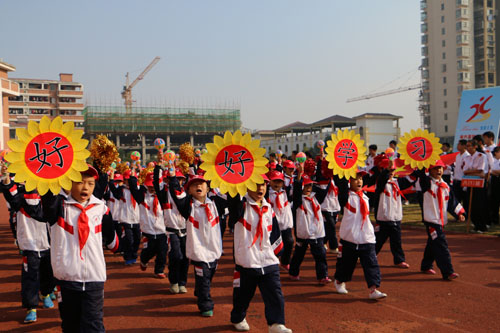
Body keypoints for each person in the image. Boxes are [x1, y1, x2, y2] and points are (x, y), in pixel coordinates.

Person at [33, 165, 119, 332]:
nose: (85, 187)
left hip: (94, 279)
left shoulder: (101, 209)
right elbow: (48, 198)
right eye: (79, 182)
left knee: (93, 325)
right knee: (70, 325)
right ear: (69, 183)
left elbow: (112, 241)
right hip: (67, 279)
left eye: (90, 183)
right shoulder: (58, 207)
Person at [228, 175, 292, 333]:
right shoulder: (240, 206)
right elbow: (233, 199)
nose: (260, 188)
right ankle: (238, 317)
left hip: (268, 260)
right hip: (247, 260)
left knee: (275, 293)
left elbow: (274, 231)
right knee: (243, 295)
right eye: (256, 184)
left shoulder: (268, 207)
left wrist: (276, 252)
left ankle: (276, 324)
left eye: (263, 184)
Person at [1, 169, 55, 324]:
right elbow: (10, 194)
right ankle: (31, 307)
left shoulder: (48, 198)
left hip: (48, 244)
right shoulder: (20, 198)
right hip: (30, 245)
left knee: (47, 273)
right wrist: (6, 179)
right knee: (30, 277)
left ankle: (46, 294)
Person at [168, 173, 222, 317]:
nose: (198, 186)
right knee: (204, 278)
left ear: (208, 188)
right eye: (194, 184)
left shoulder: (215, 203)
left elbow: (231, 197)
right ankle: (205, 305)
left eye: (202, 184)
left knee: (208, 276)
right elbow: (176, 194)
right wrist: (173, 177)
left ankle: (200, 290)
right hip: (198, 251)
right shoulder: (188, 206)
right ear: (189, 190)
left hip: (214, 250)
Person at [333, 169, 387, 299]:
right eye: (355, 178)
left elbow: (379, 185)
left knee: (371, 263)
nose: (359, 181)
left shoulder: (366, 196)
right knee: (346, 266)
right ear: (349, 181)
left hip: (366, 237)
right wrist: (342, 170)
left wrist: (384, 169)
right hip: (350, 238)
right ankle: (339, 281)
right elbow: (340, 184)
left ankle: (373, 289)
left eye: (361, 179)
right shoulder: (345, 197)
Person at [414, 160, 465, 280]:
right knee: (441, 244)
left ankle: (426, 265)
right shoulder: (426, 183)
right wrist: (423, 161)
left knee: (433, 243)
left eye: (441, 168)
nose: (439, 171)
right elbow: (421, 175)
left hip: (441, 220)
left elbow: (452, 202)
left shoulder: (445, 185)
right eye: (435, 168)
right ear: (429, 170)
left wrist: (459, 214)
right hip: (431, 220)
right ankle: (448, 271)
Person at [288, 164, 330, 284]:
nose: (308, 188)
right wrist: (299, 177)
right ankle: (293, 272)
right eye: (305, 185)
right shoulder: (298, 201)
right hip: (303, 233)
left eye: (310, 185)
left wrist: (329, 175)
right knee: (299, 254)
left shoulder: (316, 198)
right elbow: (296, 191)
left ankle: (323, 276)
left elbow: (324, 188)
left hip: (317, 233)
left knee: (320, 255)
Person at [153, 166, 190, 293]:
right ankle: (174, 281)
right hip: (171, 231)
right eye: (175, 179)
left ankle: (182, 283)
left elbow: (179, 196)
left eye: (180, 179)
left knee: (185, 257)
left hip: (185, 231)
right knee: (176, 256)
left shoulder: (185, 194)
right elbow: (156, 183)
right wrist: (158, 166)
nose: (178, 182)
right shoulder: (164, 194)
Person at [373, 157, 412, 268]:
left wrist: (418, 166)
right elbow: (382, 179)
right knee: (378, 240)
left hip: (396, 217)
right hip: (383, 218)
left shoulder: (397, 182)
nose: (391, 173)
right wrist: (386, 170)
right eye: (389, 171)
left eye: (393, 171)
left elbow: (411, 179)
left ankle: (399, 260)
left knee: (397, 241)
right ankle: (369, 255)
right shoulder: (380, 183)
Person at [128, 172, 167, 279]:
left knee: (162, 252)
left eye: (154, 186)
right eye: (150, 186)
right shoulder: (142, 197)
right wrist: (133, 174)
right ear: (146, 185)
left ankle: (159, 270)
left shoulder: (163, 197)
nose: (152, 188)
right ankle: (144, 260)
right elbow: (132, 188)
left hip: (162, 230)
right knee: (150, 250)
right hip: (148, 231)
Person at [109, 169, 141, 265]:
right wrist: (111, 178)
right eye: (126, 180)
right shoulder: (121, 189)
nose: (128, 182)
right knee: (129, 239)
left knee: (137, 239)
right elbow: (114, 190)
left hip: (136, 219)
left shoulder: (139, 190)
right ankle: (128, 257)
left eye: (131, 180)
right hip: (125, 219)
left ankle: (134, 255)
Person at [267, 170, 294, 270]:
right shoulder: (267, 193)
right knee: (273, 245)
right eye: (274, 181)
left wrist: (297, 174)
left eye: (279, 181)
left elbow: (294, 186)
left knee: (289, 242)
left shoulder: (285, 192)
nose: (277, 184)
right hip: (273, 225)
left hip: (285, 224)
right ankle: (272, 263)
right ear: (269, 182)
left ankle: (285, 261)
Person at [315, 156, 341, 253]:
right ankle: (334, 247)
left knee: (329, 226)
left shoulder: (334, 179)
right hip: (325, 207)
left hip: (334, 207)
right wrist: (320, 161)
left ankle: (323, 242)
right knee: (331, 226)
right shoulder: (321, 179)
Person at [463, 139, 489, 232]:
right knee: (471, 204)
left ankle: (482, 226)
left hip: (479, 183)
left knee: (479, 204)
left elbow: (480, 170)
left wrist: (470, 172)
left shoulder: (481, 156)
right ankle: (476, 225)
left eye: (470, 146)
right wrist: (472, 172)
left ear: (475, 146)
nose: (468, 148)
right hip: (470, 182)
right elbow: (465, 171)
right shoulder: (467, 158)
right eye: (467, 146)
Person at [452, 139, 469, 206]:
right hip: (456, 179)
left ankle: (465, 214)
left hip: (463, 180)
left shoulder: (467, 155)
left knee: (464, 199)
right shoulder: (458, 155)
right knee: (457, 199)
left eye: (459, 144)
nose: (457, 146)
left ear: (464, 146)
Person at [490, 147, 500, 225]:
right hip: (493, 181)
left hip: (498, 181)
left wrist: (492, 171)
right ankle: (494, 219)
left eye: (497, 152)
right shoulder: (494, 160)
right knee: (494, 201)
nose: (495, 153)